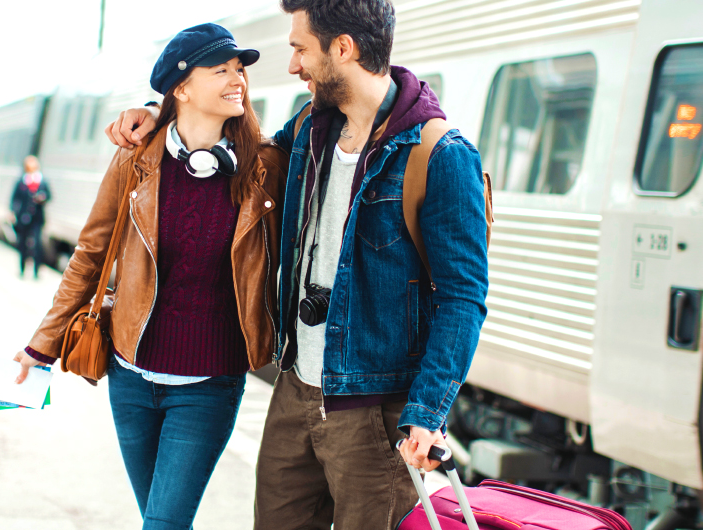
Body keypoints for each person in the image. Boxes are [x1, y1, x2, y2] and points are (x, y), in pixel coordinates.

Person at [105, 1, 490, 528]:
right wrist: (159, 115)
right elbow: (234, 150)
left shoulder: (440, 155)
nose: (293, 65)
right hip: (296, 389)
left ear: (343, 49)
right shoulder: (312, 128)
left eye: (300, 49)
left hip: (372, 410)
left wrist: (426, 412)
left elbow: (463, 298)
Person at [15, 23, 287, 530]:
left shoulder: (266, 165)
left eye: (239, 70)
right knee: (160, 521)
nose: (238, 80)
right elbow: (91, 253)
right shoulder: (136, 159)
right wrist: (42, 342)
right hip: (131, 377)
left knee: (161, 525)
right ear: (181, 89)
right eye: (221, 70)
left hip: (209, 384)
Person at [9, 155, 51, 279]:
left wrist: (43, 198)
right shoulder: (21, 181)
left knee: (37, 244)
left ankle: (36, 270)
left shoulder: (42, 181)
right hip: (23, 218)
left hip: (37, 218)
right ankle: (22, 268)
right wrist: (13, 212)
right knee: (22, 243)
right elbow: (14, 199)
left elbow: (49, 196)